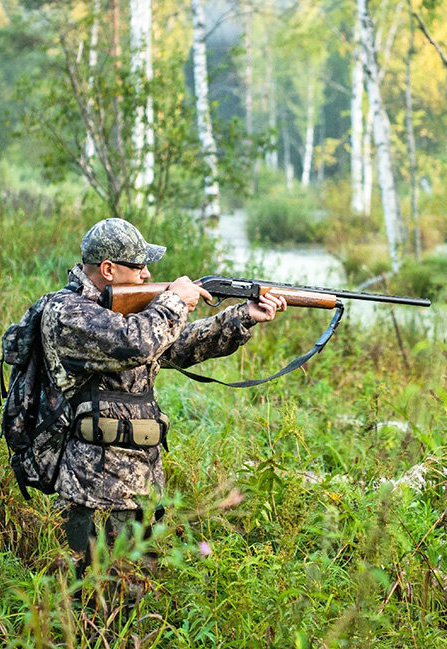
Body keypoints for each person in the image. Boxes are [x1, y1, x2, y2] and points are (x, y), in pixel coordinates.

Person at [40, 218, 286, 574]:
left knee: (131, 583)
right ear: (108, 269)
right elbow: (135, 342)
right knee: (91, 589)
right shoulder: (68, 312)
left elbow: (176, 345)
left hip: (138, 479)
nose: (145, 276)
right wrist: (175, 301)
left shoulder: (133, 313)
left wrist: (241, 317)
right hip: (93, 484)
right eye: (139, 267)